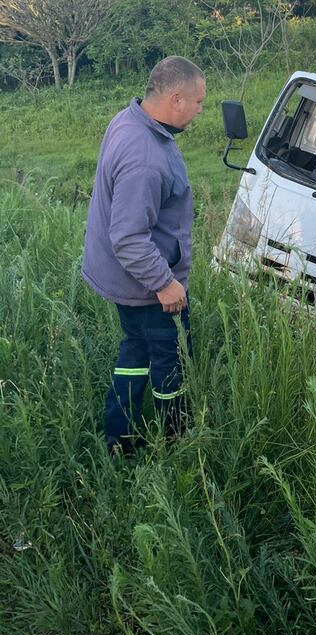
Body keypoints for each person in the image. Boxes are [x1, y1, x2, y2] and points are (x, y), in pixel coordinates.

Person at [81, 56, 206, 455]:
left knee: (135, 348)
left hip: (122, 279)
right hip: (145, 283)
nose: (201, 110)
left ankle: (119, 438)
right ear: (175, 100)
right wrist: (165, 284)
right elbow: (130, 238)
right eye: (198, 102)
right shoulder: (146, 158)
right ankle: (176, 443)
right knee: (171, 360)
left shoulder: (130, 119)